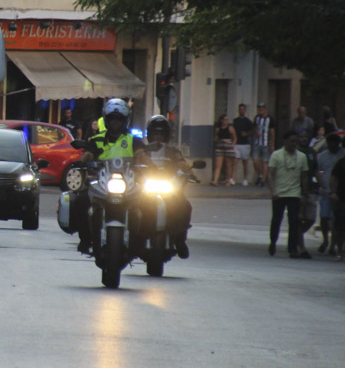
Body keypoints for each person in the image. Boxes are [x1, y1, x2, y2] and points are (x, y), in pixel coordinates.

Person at [78, 99, 144, 255]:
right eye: (112, 118)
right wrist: (82, 161)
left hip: (128, 181)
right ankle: (85, 239)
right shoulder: (97, 139)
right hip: (101, 180)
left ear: (125, 120)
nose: (115, 122)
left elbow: (142, 155)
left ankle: (142, 240)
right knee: (81, 200)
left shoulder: (133, 140)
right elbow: (88, 154)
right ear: (106, 119)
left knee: (148, 202)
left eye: (119, 118)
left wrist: (147, 164)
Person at [135, 114, 196, 258]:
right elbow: (135, 166)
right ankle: (137, 237)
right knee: (134, 205)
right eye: (155, 133)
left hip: (169, 186)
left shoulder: (174, 152)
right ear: (150, 134)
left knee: (185, 206)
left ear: (167, 135)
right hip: (147, 186)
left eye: (161, 133)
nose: (158, 137)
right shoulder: (143, 151)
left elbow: (182, 164)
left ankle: (180, 240)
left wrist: (189, 174)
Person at [268, 129, 310, 258]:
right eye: (291, 141)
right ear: (285, 141)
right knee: (276, 220)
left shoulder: (302, 156)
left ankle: (292, 248)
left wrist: (305, 193)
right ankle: (273, 242)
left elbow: (304, 176)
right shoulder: (276, 155)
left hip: (294, 193)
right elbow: (270, 173)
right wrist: (273, 191)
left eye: (295, 142)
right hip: (279, 194)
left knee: (294, 222)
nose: (294, 144)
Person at [315, 132, 345, 255]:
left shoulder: (344, 155)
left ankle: (333, 244)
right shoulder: (323, 156)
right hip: (326, 191)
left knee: (335, 220)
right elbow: (317, 170)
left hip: (340, 192)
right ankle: (325, 240)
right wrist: (320, 184)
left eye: (334, 144)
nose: (331, 146)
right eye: (329, 144)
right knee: (324, 217)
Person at [252, 102, 275, 187]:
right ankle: (260, 174)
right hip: (257, 142)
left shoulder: (270, 119)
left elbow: (272, 132)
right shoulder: (257, 118)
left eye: (261, 109)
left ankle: (263, 179)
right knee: (255, 160)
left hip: (266, 143)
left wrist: (272, 144)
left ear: (265, 109)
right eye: (259, 109)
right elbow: (254, 128)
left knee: (265, 161)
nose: (260, 110)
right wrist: (255, 132)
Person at [232, 103, 254, 185]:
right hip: (237, 143)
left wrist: (247, 134)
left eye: (243, 109)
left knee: (245, 162)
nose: (241, 111)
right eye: (240, 109)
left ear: (245, 110)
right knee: (235, 161)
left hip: (245, 144)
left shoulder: (248, 121)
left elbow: (252, 131)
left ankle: (245, 179)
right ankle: (233, 178)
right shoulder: (235, 121)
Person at [211, 114, 237, 187]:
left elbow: (235, 137)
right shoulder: (218, 128)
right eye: (225, 120)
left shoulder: (230, 128)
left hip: (228, 146)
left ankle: (228, 180)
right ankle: (215, 180)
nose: (226, 121)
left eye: (227, 120)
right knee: (218, 165)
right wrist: (216, 139)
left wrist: (232, 145)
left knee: (228, 165)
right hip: (220, 146)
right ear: (221, 120)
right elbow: (216, 137)